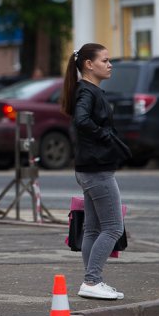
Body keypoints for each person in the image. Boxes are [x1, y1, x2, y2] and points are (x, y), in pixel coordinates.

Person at [60, 43, 128, 300]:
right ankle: (92, 280)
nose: (110, 65)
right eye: (105, 60)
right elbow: (82, 120)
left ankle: (93, 281)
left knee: (92, 229)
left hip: (89, 168)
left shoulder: (85, 89)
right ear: (89, 64)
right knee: (113, 228)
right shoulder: (87, 92)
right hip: (97, 170)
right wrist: (105, 136)